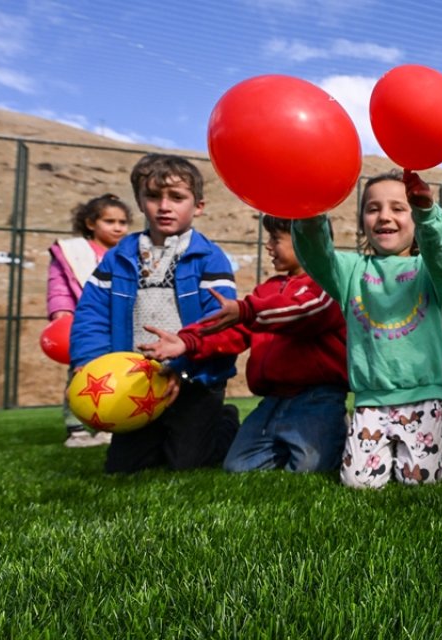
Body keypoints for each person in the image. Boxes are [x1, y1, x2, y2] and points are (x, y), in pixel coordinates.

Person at [137, 215, 350, 473]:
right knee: (238, 467)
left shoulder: (329, 284)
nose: (269, 246)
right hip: (273, 400)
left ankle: (336, 432)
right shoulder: (266, 291)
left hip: (318, 398)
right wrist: (187, 342)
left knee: (309, 468)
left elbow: (298, 312)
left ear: (305, 241)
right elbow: (233, 328)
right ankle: (230, 423)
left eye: (276, 239)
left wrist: (247, 311)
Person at [70, 154, 240, 473]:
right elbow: (92, 314)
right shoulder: (116, 258)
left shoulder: (210, 258)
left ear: (198, 206)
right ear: (139, 201)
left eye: (177, 197)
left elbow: (218, 322)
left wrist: (183, 367)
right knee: (124, 467)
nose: (164, 206)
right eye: (153, 196)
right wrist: (88, 363)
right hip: (133, 381)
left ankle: (225, 420)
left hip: (193, 380)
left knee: (187, 462)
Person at [291, 171, 442, 488]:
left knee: (420, 482)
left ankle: (435, 462)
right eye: (373, 208)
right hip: (371, 400)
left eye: (398, 208)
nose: (384, 216)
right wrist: (311, 213)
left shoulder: (429, 271)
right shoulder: (350, 270)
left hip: (422, 397)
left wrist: (427, 213)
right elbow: (315, 254)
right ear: (362, 219)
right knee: (359, 483)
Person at [47, 193, 131, 448]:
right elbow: (59, 287)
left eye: (123, 222)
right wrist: (61, 313)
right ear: (91, 223)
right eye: (110, 221)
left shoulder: (127, 253)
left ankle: (110, 424)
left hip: (117, 326)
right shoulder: (73, 253)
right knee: (80, 377)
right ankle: (76, 428)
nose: (118, 227)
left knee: (115, 376)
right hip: (84, 327)